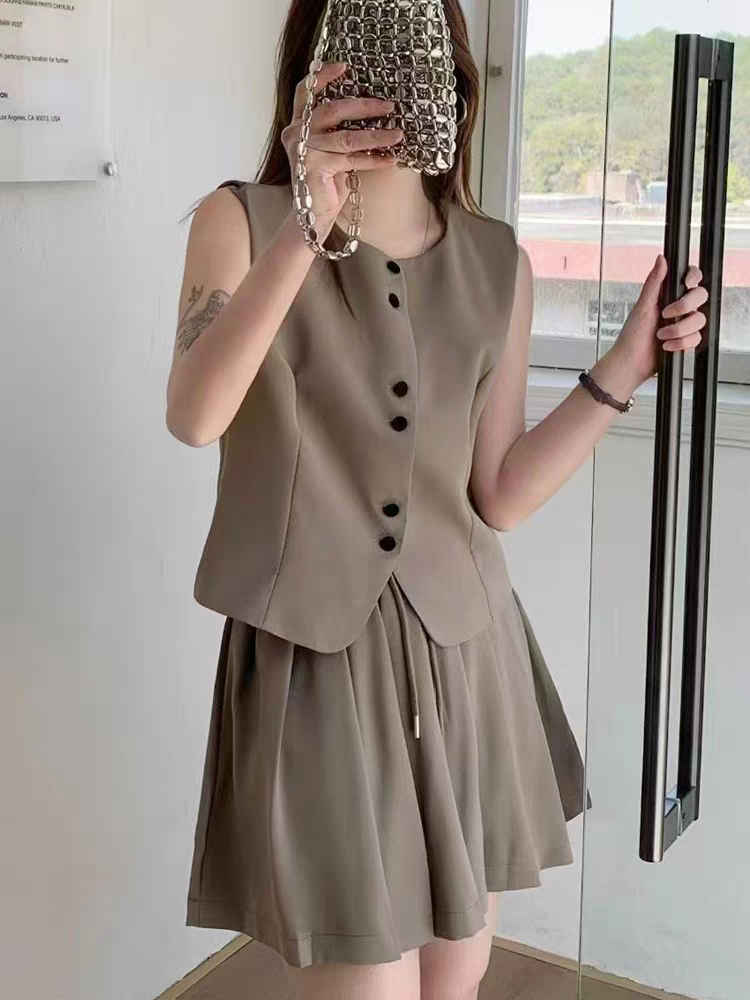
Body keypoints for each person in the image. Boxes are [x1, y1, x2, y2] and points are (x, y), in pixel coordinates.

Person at [165, 3, 708, 998]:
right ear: (317, 68)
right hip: (315, 665)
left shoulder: (497, 259)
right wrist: (308, 225)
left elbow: (498, 494)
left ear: (452, 73)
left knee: (455, 979)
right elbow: (197, 415)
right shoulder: (241, 222)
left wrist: (626, 366)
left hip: (468, 658)